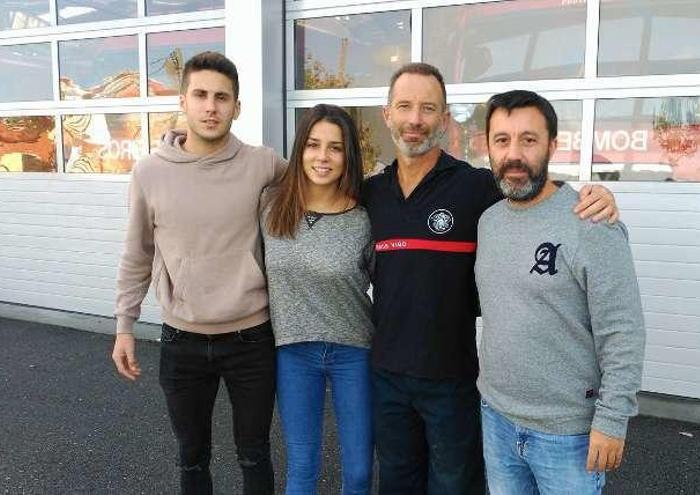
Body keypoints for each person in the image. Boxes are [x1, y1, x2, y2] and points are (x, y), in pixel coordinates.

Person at [363, 63, 621, 494]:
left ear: (444, 119)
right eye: (404, 107)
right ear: (387, 115)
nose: (415, 119)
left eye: (428, 108)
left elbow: (530, 183)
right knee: (395, 483)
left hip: (453, 380)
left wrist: (595, 197)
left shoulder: (476, 187)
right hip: (386, 376)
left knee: (453, 485)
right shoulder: (370, 193)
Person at [110, 51, 284, 495]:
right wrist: (124, 326)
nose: (211, 107)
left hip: (251, 339)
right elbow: (137, 254)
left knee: (255, 454)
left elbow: (318, 185)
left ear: (237, 108)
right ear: (183, 102)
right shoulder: (150, 173)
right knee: (191, 459)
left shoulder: (262, 164)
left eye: (222, 98)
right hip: (182, 342)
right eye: (201, 95)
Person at [475, 90, 646, 494]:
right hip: (496, 419)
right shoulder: (488, 222)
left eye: (528, 139)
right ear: (488, 148)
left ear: (553, 145)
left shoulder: (590, 222)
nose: (514, 154)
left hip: (567, 435)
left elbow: (623, 331)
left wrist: (611, 420)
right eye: (502, 140)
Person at [261, 104, 374, 495]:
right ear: (300, 149)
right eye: (313, 145)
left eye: (335, 148)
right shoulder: (270, 205)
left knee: (359, 471)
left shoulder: (365, 216)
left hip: (354, 350)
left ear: (348, 156)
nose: (322, 157)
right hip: (293, 351)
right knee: (302, 468)